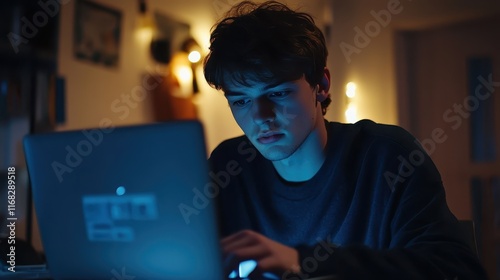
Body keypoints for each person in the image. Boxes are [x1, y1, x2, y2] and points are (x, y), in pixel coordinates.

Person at [203, 1, 488, 279]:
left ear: (322, 86)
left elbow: (456, 270)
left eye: (277, 93)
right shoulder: (228, 166)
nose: (260, 116)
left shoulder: (388, 157)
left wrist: (302, 262)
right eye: (240, 101)